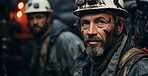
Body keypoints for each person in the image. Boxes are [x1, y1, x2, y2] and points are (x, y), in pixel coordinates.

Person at [73, 0, 148, 76]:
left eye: (101, 22)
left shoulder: (139, 69)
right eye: (85, 23)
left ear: (119, 26)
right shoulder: (84, 63)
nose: (91, 32)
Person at [24, 0, 85, 76]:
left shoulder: (66, 40)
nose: (35, 22)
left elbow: (82, 72)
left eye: (39, 17)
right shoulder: (37, 42)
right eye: (31, 18)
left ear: (48, 17)